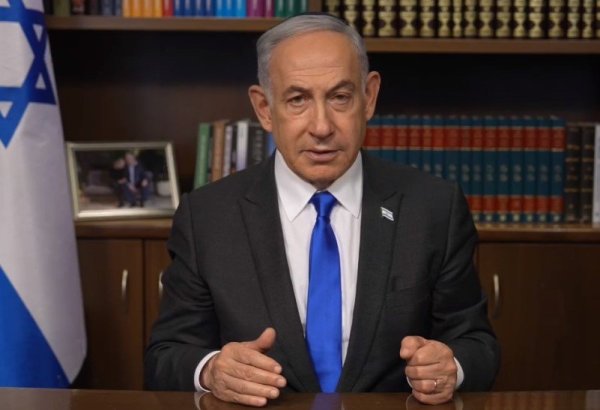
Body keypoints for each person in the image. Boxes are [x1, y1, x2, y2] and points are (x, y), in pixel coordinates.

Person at [144, 13, 500, 407]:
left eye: (340, 97)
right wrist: (212, 370)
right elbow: (166, 357)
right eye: (297, 99)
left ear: (369, 97)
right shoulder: (207, 216)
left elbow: (476, 344)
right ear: (264, 108)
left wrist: (451, 365)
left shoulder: (433, 208)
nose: (321, 126)